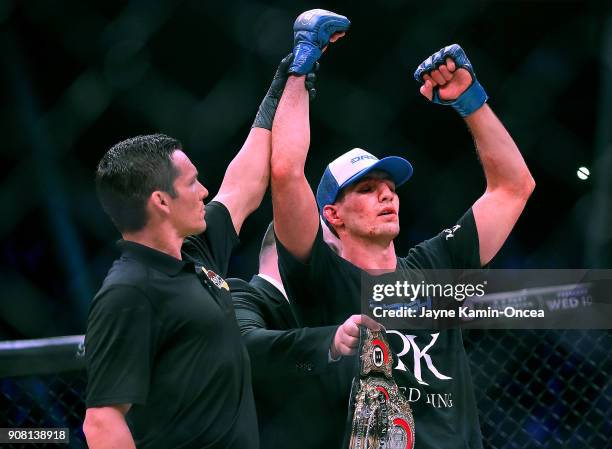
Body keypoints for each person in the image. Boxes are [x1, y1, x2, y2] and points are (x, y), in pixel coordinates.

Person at [270, 10, 535, 449]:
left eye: (390, 188)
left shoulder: (435, 265)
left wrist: (470, 101)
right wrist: (302, 65)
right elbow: (284, 171)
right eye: (368, 189)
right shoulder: (320, 275)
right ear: (333, 215)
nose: (387, 196)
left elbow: (514, 187)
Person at [83, 54, 305, 449]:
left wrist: (283, 87)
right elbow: (102, 424)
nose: (205, 191)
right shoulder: (129, 291)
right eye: (192, 183)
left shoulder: (193, 256)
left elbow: (244, 186)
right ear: (161, 202)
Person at [230, 222, 380, 449]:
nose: (339, 271)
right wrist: (330, 341)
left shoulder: (334, 318)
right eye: (330, 257)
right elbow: (247, 346)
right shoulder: (243, 294)